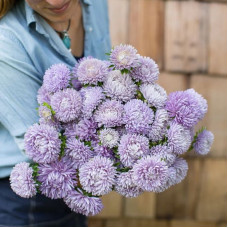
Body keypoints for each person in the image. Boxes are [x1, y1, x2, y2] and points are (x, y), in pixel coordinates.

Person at [0, 0, 111, 226]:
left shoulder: (96, 3)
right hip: (27, 198)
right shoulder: (6, 41)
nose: (55, 1)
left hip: (79, 185)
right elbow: (43, 148)